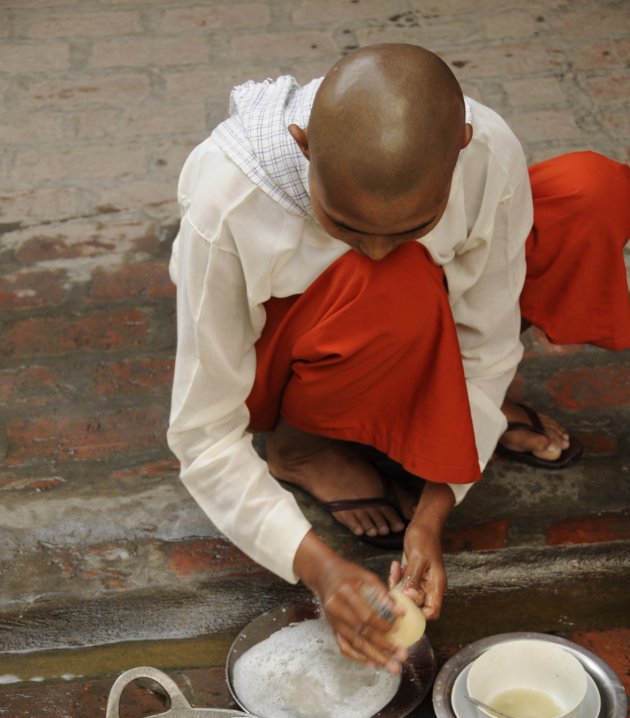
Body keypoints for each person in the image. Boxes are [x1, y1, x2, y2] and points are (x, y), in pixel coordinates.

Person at [168, 44, 630, 675]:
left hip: (407, 322)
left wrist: (433, 512)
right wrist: (320, 569)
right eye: (345, 223)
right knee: (391, 282)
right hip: (292, 360)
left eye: (413, 223)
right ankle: (306, 445)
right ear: (303, 146)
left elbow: (488, 339)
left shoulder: (487, 150)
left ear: (461, 146)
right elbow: (204, 434)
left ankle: (437, 423)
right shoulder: (231, 201)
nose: (378, 247)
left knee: (588, 192)